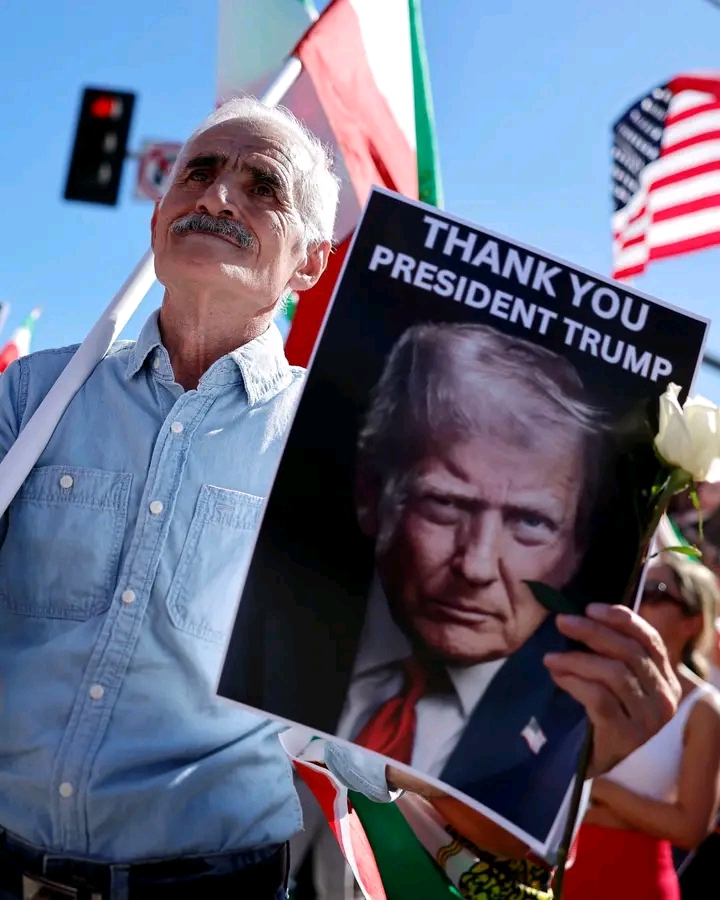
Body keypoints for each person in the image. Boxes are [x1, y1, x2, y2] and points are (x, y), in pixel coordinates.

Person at [0, 96, 681, 900]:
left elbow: (373, 729)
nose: (219, 197)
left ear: (312, 263)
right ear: (158, 219)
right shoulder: (37, 396)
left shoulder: (354, 450)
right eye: (202, 172)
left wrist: (554, 743)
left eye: (263, 187)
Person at [563, 552, 720, 900]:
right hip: (558, 869)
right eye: (637, 587)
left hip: (633, 882)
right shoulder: (590, 671)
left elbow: (690, 828)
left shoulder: (704, 707)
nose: (638, 600)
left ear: (691, 623)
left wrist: (600, 788)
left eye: (656, 591)